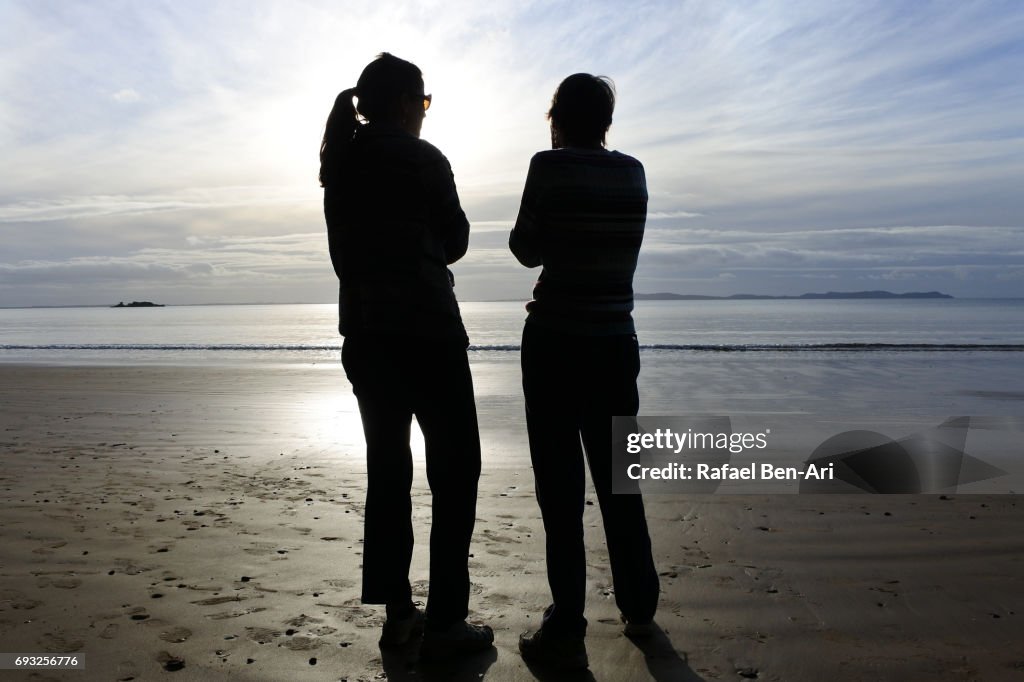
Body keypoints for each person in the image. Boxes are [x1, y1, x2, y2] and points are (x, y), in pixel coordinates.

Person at [320, 52, 493, 660]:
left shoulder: (339, 162)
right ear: (404, 104)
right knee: (455, 472)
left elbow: (347, 254)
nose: (424, 114)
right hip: (428, 333)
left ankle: (399, 615)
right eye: (422, 102)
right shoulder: (423, 159)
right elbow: (456, 242)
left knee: (389, 473)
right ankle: (446, 620)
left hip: (366, 336)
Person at [510, 73, 660, 670]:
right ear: (607, 121)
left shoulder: (549, 167)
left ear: (557, 117)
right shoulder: (634, 173)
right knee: (620, 480)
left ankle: (567, 620)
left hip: (554, 342)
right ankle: (640, 604)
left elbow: (527, 248)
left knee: (561, 485)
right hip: (615, 341)